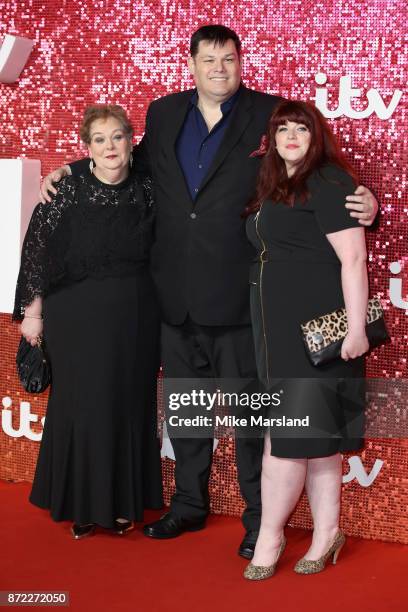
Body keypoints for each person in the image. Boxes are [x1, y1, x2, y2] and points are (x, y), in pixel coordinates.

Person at [39, 25, 378, 558]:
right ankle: (188, 505)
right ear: (192, 64)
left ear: (241, 63)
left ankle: (257, 518)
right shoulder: (164, 113)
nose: (219, 68)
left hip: (242, 298)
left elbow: (309, 159)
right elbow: (131, 167)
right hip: (172, 295)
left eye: (229, 58)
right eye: (209, 59)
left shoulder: (267, 114)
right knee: (189, 410)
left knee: (250, 418)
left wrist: (366, 200)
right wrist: (72, 170)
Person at [14, 104, 163, 539]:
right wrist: (33, 313)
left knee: (127, 405)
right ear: (87, 148)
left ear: (131, 141)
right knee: (82, 405)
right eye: (100, 139)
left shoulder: (149, 190)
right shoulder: (67, 190)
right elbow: (37, 253)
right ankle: (81, 503)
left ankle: (121, 505)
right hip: (74, 316)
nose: (110, 146)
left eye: (117, 136)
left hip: (136, 315)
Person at [243, 100, 368, 580]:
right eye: (283, 128)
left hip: (322, 336)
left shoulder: (330, 182)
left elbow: (354, 261)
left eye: (302, 128)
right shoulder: (273, 184)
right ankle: (326, 532)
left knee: (287, 441)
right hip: (279, 336)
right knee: (319, 443)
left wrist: (355, 330)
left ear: (316, 137)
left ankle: (270, 539)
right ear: (272, 138)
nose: (292, 136)